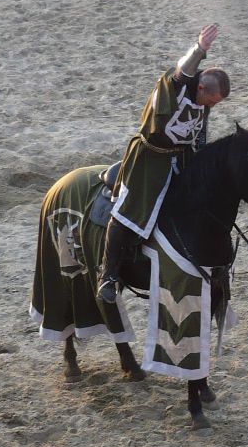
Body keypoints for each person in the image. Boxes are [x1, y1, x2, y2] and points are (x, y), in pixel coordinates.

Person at [96, 25, 230, 305]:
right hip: (149, 161)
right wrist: (199, 49)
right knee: (128, 211)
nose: (211, 107)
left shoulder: (204, 102)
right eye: (211, 100)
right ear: (201, 86)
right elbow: (182, 72)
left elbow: (199, 135)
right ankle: (108, 276)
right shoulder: (174, 87)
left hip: (181, 157)